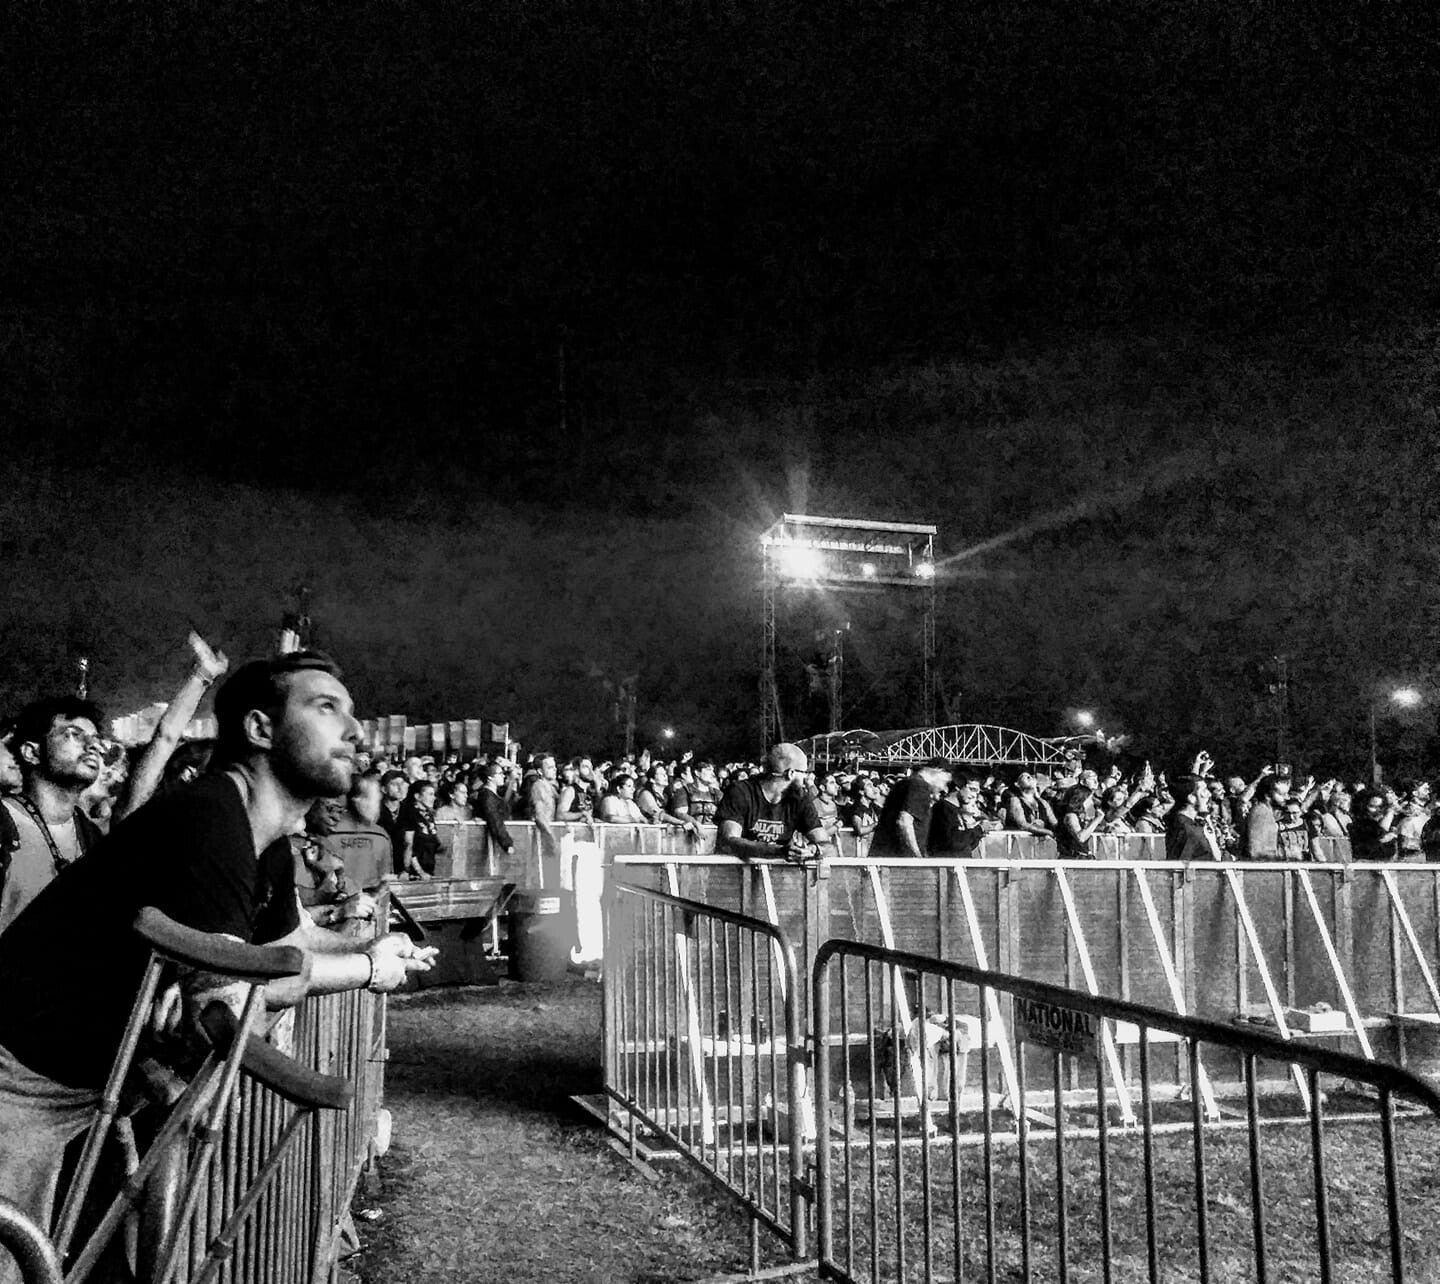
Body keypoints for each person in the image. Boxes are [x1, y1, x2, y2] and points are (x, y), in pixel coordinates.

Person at [0, 650, 437, 1278]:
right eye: (326, 708)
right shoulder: (210, 818)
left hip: (95, 1085)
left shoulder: (268, 841)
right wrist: (365, 971)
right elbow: (230, 997)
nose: (355, 730)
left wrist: (371, 947)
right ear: (260, 728)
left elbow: (292, 942)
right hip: (21, 1080)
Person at [0, 696, 108, 936]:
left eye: (96, 740)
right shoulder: (4, 825)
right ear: (32, 752)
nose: (93, 746)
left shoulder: (89, 835)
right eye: (74, 735)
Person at [113, 632, 231, 821]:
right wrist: (203, 676)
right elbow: (166, 737)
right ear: (189, 774)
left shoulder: (212, 828)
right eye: (216, 773)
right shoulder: (140, 814)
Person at [713, 743, 834, 862]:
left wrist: (814, 850)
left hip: (778, 870)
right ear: (791, 773)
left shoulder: (800, 798)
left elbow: (827, 845)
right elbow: (729, 841)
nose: (806, 779)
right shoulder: (740, 792)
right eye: (804, 772)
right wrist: (778, 851)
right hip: (735, 870)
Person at [869, 758, 953, 859]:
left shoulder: (903, 784)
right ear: (938, 773)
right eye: (945, 782)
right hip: (900, 858)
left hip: (884, 854)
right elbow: (904, 821)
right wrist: (917, 856)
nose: (943, 788)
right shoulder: (920, 786)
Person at [1165, 775, 1222, 862]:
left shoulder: (1190, 824)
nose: (1209, 794)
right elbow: (1181, 865)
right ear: (1191, 798)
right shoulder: (1187, 829)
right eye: (1204, 790)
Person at [472, 759, 517, 869]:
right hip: (492, 842)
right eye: (500, 774)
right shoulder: (487, 797)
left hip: (495, 841)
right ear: (490, 777)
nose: (503, 776)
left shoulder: (492, 794)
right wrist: (507, 843)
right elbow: (494, 819)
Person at [1241, 774, 1290, 861]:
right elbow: (1256, 850)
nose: (1287, 797)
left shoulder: (1267, 811)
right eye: (1281, 794)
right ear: (1267, 795)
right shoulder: (1260, 812)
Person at [1003, 772, 1057, 838]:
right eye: (1023, 776)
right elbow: (1022, 825)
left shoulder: (1043, 802)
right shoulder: (1015, 801)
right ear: (1017, 784)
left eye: (1030, 776)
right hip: (1021, 841)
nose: (1028, 777)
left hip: (1042, 842)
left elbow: (1054, 822)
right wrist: (1047, 832)